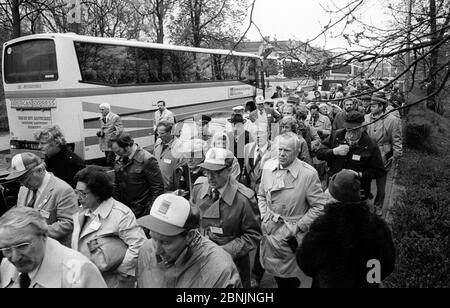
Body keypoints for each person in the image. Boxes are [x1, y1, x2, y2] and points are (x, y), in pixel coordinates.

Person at [296, 170, 396, 288]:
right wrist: (369, 280)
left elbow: (306, 263)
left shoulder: (323, 227)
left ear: (332, 197)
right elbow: (387, 264)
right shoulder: (376, 226)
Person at [258, 132, 326, 288]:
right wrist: (264, 216)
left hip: (291, 236)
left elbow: (319, 206)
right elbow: (261, 195)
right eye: (279, 149)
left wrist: (298, 227)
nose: (281, 154)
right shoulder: (268, 166)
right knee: (274, 273)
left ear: (296, 152)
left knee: (289, 279)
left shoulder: (308, 174)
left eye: (286, 150)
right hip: (270, 231)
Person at [136, 194, 242, 288]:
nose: (157, 251)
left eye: (166, 242)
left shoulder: (220, 270)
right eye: (153, 238)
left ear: (190, 236)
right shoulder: (145, 250)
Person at [191, 148, 262, 288]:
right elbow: (193, 220)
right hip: (202, 258)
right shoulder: (199, 187)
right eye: (207, 171)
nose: (210, 177)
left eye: (216, 172)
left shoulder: (244, 198)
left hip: (233, 263)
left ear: (229, 170)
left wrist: (224, 251)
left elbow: (253, 235)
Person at [71, 167, 147, 288]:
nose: (78, 197)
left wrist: (121, 271)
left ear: (98, 193)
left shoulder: (120, 214)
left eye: (83, 193)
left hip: (112, 282)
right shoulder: (82, 210)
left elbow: (139, 245)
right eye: (76, 192)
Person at [0, 207, 107, 288]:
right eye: (6, 249)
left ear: (44, 235)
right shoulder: (6, 264)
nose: (14, 258)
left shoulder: (78, 272)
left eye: (22, 246)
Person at [5, 153, 78, 247]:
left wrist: (34, 232)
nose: (22, 184)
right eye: (18, 180)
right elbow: (20, 211)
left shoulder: (63, 190)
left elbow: (69, 224)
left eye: (23, 178)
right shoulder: (24, 188)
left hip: (54, 249)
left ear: (40, 170)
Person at [317, 111, 386, 201]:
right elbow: (319, 153)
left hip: (356, 192)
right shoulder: (336, 135)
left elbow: (378, 171)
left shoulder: (370, 145)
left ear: (362, 127)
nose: (350, 132)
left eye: (354, 129)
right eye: (347, 129)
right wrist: (334, 151)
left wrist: (359, 174)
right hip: (334, 189)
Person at [111, 133, 164, 218]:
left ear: (127, 146)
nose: (117, 155)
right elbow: (117, 185)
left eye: (118, 151)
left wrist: (149, 211)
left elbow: (158, 188)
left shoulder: (147, 159)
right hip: (125, 210)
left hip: (143, 211)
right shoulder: (119, 159)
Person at [365, 96, 403, 213]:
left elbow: (397, 140)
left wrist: (395, 156)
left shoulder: (393, 120)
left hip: (383, 154)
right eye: (370, 105)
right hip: (367, 153)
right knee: (365, 180)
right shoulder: (366, 118)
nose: (370, 108)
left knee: (381, 185)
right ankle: (364, 203)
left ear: (381, 107)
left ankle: (378, 205)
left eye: (373, 106)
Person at [154, 121, 184, 192]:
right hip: (156, 188)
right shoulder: (158, 143)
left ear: (171, 132)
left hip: (170, 191)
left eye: (162, 134)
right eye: (158, 133)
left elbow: (181, 173)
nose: (159, 136)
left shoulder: (179, 148)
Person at [243, 127, 276, 193]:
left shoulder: (275, 149)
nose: (258, 136)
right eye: (255, 133)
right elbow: (246, 169)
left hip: (267, 192)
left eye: (261, 133)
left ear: (268, 133)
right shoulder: (247, 147)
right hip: (251, 191)